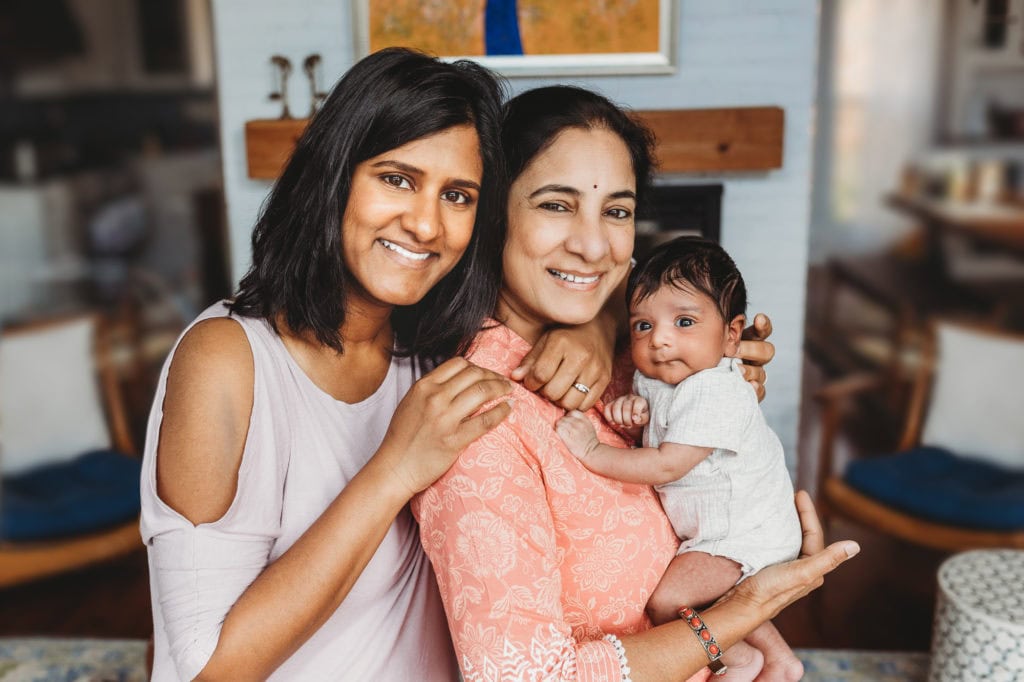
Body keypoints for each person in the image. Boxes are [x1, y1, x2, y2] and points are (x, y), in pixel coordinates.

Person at [413, 85, 859, 681]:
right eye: (555, 204)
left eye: (616, 211)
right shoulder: (477, 422)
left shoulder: (642, 354)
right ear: (493, 211)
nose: (594, 245)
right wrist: (749, 605)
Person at [140, 47, 539, 681]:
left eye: (457, 195)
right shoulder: (227, 359)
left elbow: (574, 296)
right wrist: (393, 470)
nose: (426, 224)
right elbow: (206, 668)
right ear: (334, 175)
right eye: (397, 178)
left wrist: (613, 337)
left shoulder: (443, 348)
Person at [556, 236, 804, 681]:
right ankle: (779, 659)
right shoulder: (665, 377)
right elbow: (661, 426)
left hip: (744, 532)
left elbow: (667, 464)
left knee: (668, 601)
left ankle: (740, 658)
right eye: (642, 326)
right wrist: (632, 415)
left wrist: (593, 450)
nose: (660, 341)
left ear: (732, 336)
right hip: (722, 529)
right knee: (719, 600)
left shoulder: (716, 388)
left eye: (684, 321)